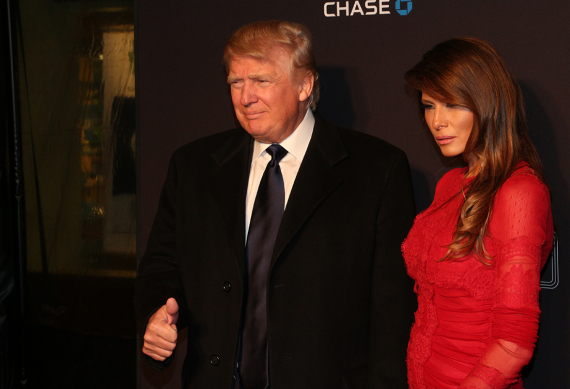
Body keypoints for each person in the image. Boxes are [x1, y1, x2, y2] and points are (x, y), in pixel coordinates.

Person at [135, 20, 416, 389]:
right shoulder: (194, 165)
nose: (245, 97)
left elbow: (392, 310)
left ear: (305, 85)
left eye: (261, 81)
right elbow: (163, 266)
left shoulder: (375, 169)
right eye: (236, 82)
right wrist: (158, 316)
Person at [401, 38, 553, 389]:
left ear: (488, 105)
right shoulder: (451, 183)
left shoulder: (520, 193)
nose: (437, 121)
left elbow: (514, 344)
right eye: (428, 105)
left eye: (453, 104)